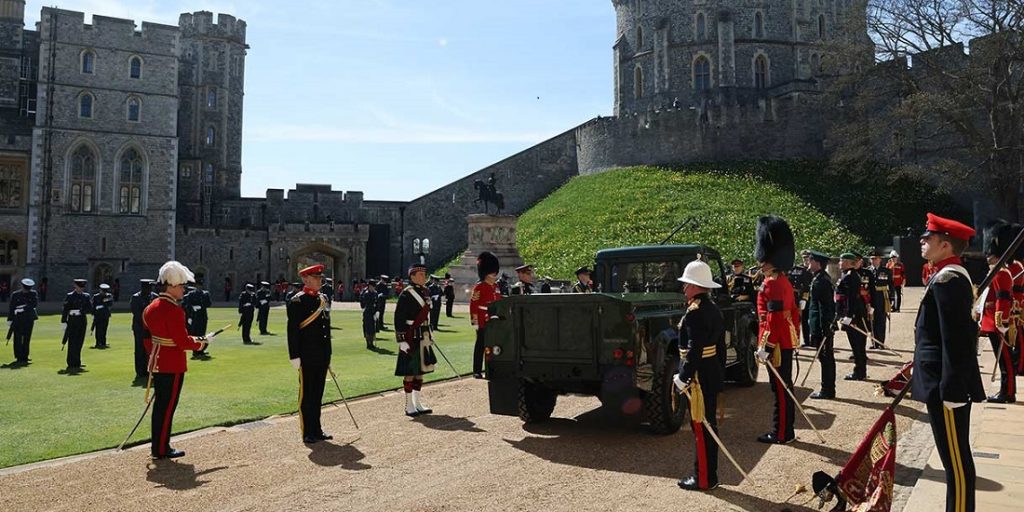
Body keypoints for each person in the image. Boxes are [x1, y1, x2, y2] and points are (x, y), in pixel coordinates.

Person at [912, 212, 985, 512]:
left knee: (956, 462)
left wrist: (953, 390)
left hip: (947, 387)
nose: (922, 241)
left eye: (928, 237)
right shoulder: (948, 276)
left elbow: (955, 342)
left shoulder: (949, 280)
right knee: (953, 461)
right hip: (941, 380)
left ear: (945, 246)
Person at [143, 261, 210, 459]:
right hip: (172, 364)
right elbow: (181, 341)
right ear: (171, 286)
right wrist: (201, 343)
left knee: (160, 407)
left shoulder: (151, 307)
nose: (183, 290)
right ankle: (162, 448)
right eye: (181, 286)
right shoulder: (173, 310)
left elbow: (147, 339)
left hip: (157, 362)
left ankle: (159, 445)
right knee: (167, 407)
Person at [673, 260, 726, 491]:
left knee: (701, 428)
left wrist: (683, 376)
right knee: (707, 426)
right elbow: (720, 348)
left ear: (695, 286)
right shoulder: (713, 308)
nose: (684, 288)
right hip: (710, 372)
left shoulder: (695, 312)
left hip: (698, 377)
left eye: (687, 284)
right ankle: (708, 475)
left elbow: (693, 349)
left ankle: (704, 478)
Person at [753, 216, 800, 445]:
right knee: (783, 387)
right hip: (784, 341)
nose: (760, 263)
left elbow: (775, 318)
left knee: (780, 389)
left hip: (777, 344)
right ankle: (785, 429)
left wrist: (767, 347)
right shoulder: (782, 281)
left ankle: (782, 432)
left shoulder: (772, 283)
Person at [287, 264, 333, 443]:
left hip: (321, 355)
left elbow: (326, 330)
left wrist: (328, 355)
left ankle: (317, 429)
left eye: (321, 277)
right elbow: (293, 331)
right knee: (306, 395)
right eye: (317, 277)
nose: (320, 280)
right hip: (306, 355)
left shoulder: (323, 298)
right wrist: (294, 356)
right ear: (306, 279)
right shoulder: (298, 301)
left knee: (318, 394)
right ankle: (307, 431)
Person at [979, 221, 1016, 403]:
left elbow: (1003, 298)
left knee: (1005, 361)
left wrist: (1001, 322)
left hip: (998, 322)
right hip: (992, 321)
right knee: (1002, 360)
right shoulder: (996, 271)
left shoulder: (1001, 273)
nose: (988, 257)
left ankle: (1007, 392)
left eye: (991, 254)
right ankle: (1006, 390)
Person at [395, 263, 438, 416]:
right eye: (420, 275)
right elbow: (399, 317)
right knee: (410, 372)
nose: (423, 277)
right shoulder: (407, 294)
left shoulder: (425, 292)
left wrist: (430, 334)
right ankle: (408, 405)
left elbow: (426, 316)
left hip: (423, 335)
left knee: (420, 371)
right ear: (412, 276)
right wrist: (401, 340)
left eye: (424, 274)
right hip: (410, 336)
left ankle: (417, 402)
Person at [806, 251, 836, 399]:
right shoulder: (821, 278)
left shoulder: (821, 281)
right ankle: (828, 388)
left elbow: (823, 307)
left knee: (826, 358)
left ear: (817, 263)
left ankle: (827, 390)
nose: (808, 263)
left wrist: (825, 328)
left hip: (822, 326)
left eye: (810, 261)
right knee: (826, 358)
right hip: (822, 325)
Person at [836, 253, 868, 380]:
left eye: (842, 260)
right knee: (855, 345)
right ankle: (860, 370)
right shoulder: (847, 275)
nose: (839, 263)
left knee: (857, 344)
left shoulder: (851, 276)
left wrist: (849, 315)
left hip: (854, 316)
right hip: (850, 314)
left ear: (849, 262)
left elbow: (851, 298)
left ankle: (859, 372)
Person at [470, 251, 501, 378]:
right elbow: (473, 305)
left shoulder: (496, 286)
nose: (494, 274)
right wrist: (475, 322)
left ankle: (491, 368)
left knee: (494, 346)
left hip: (494, 319)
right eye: (492, 271)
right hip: (483, 320)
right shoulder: (479, 286)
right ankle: (477, 370)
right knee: (480, 346)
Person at [61, 278, 92, 372]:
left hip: (81, 320)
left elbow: (90, 308)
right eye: (79, 287)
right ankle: (71, 362)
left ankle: (77, 361)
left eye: (82, 287)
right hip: (72, 320)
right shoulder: (70, 296)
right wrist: (63, 321)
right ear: (75, 286)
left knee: (79, 341)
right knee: (72, 341)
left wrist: (82, 311)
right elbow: (65, 309)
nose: (81, 289)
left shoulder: (86, 296)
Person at [8, 278, 38, 365]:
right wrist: (10, 319)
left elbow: (34, 304)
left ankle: (25, 356)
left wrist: (23, 308)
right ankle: (18, 356)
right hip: (18, 319)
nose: (26, 290)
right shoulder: (15, 294)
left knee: (26, 338)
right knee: (17, 337)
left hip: (28, 318)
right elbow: (12, 307)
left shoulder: (33, 293)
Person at [131, 279, 157, 380]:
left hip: (152, 329)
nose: (150, 290)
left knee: (151, 350)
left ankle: (150, 369)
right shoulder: (136, 298)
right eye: (148, 287)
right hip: (140, 328)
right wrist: (147, 324)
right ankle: (140, 371)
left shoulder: (154, 297)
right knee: (140, 350)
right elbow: (137, 314)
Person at [868, 251, 893, 349]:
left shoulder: (886, 271)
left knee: (881, 320)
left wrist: (891, 298)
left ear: (880, 259)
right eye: (872, 258)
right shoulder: (867, 271)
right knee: (871, 320)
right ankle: (874, 342)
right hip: (871, 298)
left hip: (882, 297)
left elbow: (891, 285)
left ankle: (881, 342)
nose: (874, 260)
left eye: (876, 258)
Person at [789, 251, 813, 347]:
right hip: (794, 297)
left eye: (807, 258)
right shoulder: (794, 269)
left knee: (808, 319)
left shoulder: (807, 271)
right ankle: (800, 340)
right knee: (801, 320)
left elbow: (807, 286)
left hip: (805, 297)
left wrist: (804, 298)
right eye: (804, 258)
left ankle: (809, 340)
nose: (806, 261)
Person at [184, 279, 212, 358]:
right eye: (198, 286)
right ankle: (195, 351)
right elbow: (187, 305)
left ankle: (201, 350)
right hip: (195, 317)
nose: (199, 287)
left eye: (200, 286)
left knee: (202, 334)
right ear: (195, 286)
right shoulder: (191, 294)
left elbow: (209, 304)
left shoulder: (205, 294)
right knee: (195, 334)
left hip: (202, 316)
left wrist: (201, 306)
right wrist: (193, 308)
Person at [91, 283, 113, 348]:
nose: (103, 292)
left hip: (105, 315)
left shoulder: (109, 296)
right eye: (102, 291)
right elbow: (93, 305)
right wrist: (94, 312)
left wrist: (101, 305)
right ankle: (98, 343)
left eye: (105, 291)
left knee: (104, 329)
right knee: (98, 329)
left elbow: (109, 304)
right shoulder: (96, 296)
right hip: (98, 315)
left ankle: (103, 342)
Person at [360, 280, 378, 349]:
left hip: (373, 313)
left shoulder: (375, 293)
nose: (373, 288)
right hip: (368, 313)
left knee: (373, 329)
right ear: (370, 286)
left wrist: (376, 312)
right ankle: (368, 344)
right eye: (372, 286)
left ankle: (372, 343)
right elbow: (368, 304)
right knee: (368, 329)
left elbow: (376, 302)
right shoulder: (366, 293)